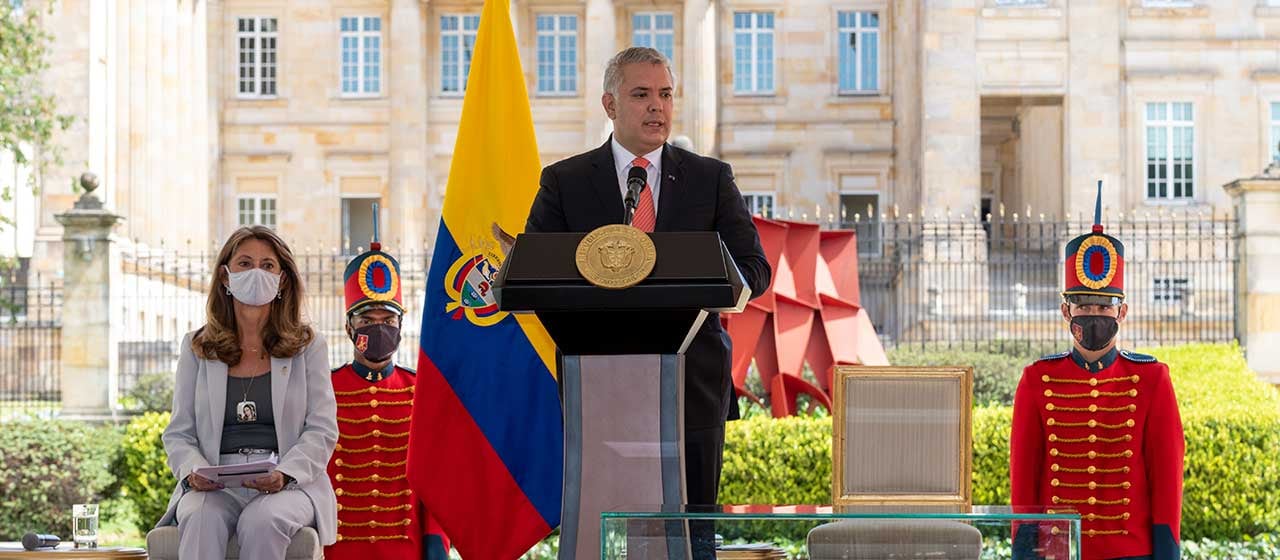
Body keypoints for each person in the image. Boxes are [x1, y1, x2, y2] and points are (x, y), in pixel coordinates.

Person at [524, 46, 772, 556]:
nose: (657, 107)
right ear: (610, 105)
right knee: (604, 531)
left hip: (691, 385)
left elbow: (755, 270)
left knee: (690, 534)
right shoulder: (565, 182)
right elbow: (533, 274)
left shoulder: (710, 178)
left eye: (665, 94)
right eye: (641, 95)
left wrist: (716, 288)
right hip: (597, 384)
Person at [1010, 184, 1185, 560]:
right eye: (1083, 305)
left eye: (1104, 307)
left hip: (1131, 552)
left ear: (1122, 313)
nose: (1093, 315)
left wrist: (1167, 552)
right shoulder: (1037, 380)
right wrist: (1024, 551)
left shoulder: (1154, 380)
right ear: (1065, 312)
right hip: (1057, 553)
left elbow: (1167, 479)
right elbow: (1024, 480)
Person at [158, 226, 338, 560]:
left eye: (268, 265)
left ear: (282, 280)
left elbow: (322, 430)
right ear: (225, 277)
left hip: (288, 481)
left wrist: (285, 474)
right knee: (199, 517)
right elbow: (179, 433)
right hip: (215, 482)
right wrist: (194, 470)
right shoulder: (197, 347)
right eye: (244, 263)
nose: (257, 272)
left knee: (262, 520)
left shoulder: (308, 347)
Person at [324, 233, 449, 559]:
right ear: (350, 328)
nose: (378, 328)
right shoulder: (324, 389)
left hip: (404, 550)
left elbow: (436, 480)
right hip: (337, 549)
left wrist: (436, 546)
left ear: (401, 325)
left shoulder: (420, 389)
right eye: (367, 320)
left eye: (388, 320)